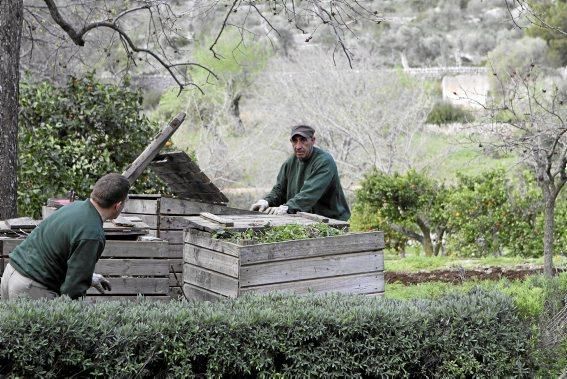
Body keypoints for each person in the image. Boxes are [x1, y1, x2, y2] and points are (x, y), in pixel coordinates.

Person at [0, 173, 130, 300]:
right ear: (117, 205)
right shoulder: (92, 234)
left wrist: (88, 277)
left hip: (10, 274)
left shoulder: (74, 207)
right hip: (31, 287)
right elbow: (73, 290)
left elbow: (56, 254)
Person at [250, 125, 350, 221]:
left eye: (303, 140)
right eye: (295, 141)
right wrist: (266, 201)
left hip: (332, 222)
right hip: (303, 221)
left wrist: (287, 208)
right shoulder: (290, 162)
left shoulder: (324, 162)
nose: (298, 146)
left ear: (313, 140)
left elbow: (308, 195)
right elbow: (279, 190)